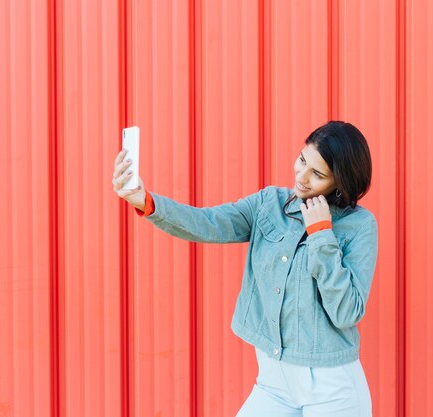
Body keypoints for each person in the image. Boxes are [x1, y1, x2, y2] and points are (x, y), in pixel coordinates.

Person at [112, 121, 377, 417]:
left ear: (340, 183)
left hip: (332, 389)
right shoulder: (268, 204)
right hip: (274, 383)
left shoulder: (360, 227)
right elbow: (207, 223)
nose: (301, 177)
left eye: (317, 174)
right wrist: (146, 202)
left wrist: (321, 235)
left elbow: (347, 312)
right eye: (302, 160)